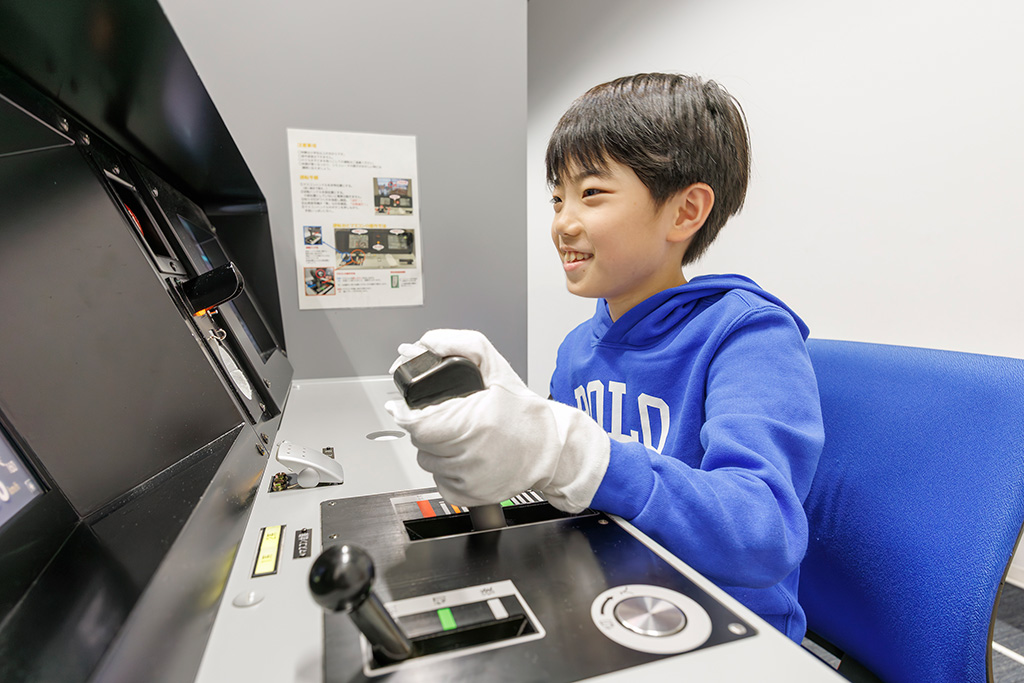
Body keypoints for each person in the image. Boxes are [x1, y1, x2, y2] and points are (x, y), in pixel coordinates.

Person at [385, 73, 824, 643]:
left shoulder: (748, 334)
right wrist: (512, 426)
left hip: (732, 630)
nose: (563, 223)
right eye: (558, 198)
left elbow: (761, 533)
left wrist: (577, 453)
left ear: (685, 211)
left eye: (591, 193)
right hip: (613, 599)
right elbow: (570, 482)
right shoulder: (577, 349)